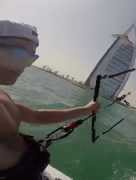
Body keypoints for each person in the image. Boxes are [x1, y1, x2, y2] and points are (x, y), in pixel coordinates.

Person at [0, 20, 100, 179]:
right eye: (19, 55)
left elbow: (37, 116)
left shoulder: (3, 96)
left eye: (31, 58)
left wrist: (86, 109)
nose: (26, 65)